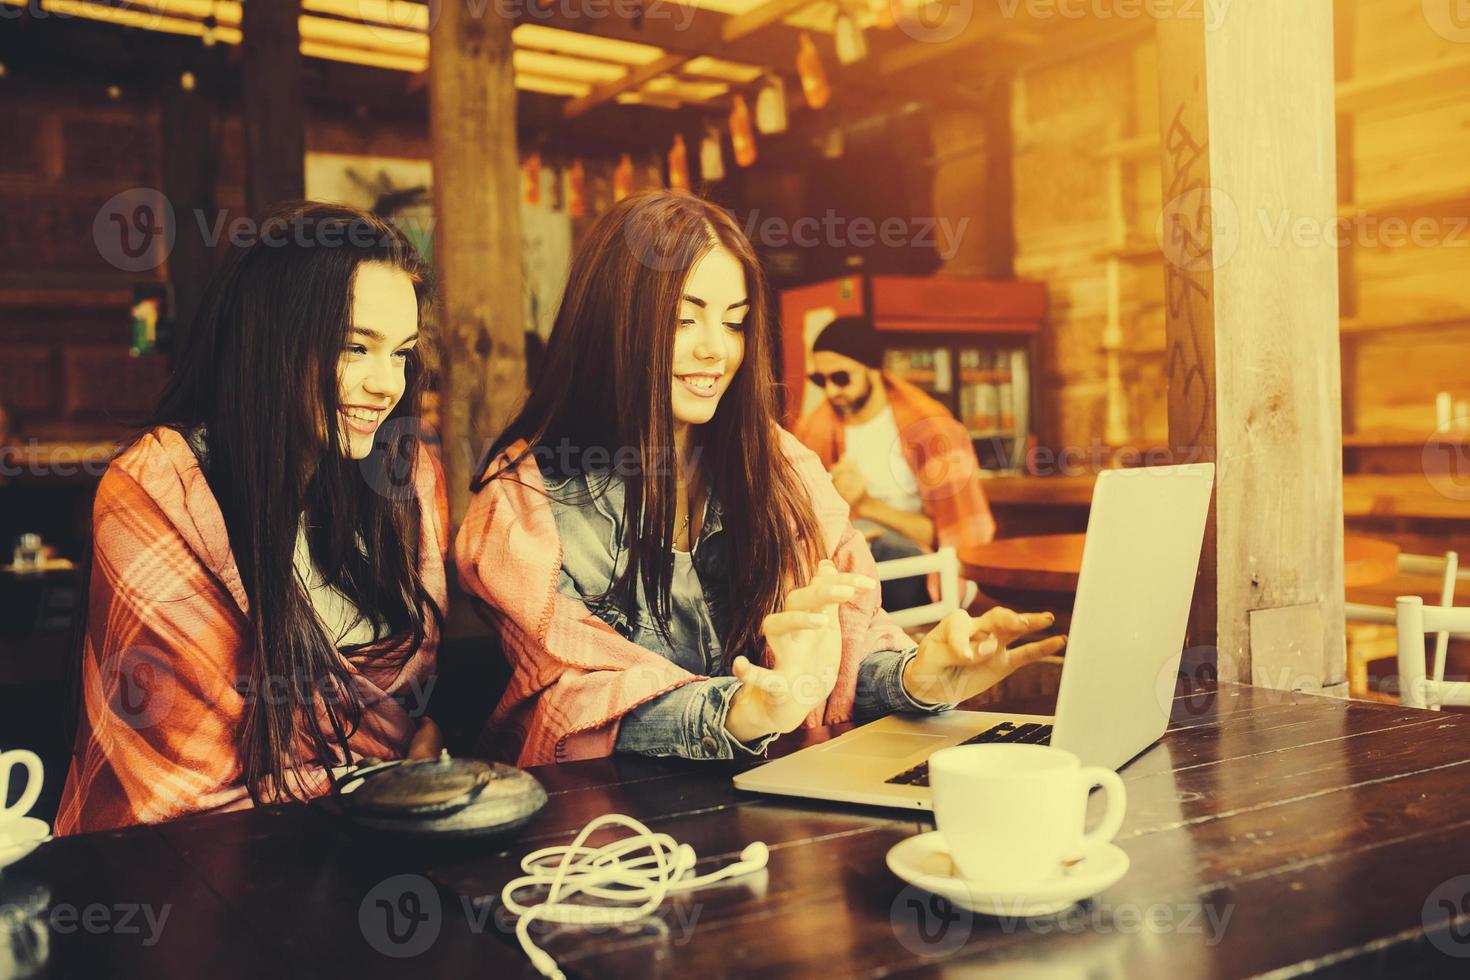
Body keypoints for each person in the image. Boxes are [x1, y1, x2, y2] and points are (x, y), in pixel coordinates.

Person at [456, 191, 1064, 767]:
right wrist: (744, 711)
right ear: (613, 323)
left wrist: (916, 676)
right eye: (685, 319)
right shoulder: (526, 502)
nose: (715, 351)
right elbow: (572, 700)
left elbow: (848, 649)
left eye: (735, 322)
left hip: (781, 817)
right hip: (606, 841)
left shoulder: (781, 469)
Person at [57, 202, 448, 833]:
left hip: (383, 857)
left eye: (400, 352)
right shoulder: (162, 492)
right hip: (199, 877)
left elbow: (408, 708)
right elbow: (184, 793)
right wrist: (395, 777)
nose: (386, 384)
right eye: (354, 346)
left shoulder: (401, 474)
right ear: (269, 340)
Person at [794, 316, 997, 610]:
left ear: (873, 369)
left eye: (841, 378)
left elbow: (948, 535)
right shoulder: (814, 428)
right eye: (820, 380)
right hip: (841, 561)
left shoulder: (931, 427)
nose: (830, 391)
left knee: (871, 550)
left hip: (917, 564)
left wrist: (865, 503)